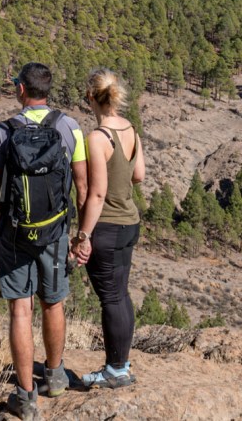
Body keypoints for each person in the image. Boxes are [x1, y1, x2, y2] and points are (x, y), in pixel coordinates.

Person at [0, 62, 88, 420]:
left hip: (14, 233)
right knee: (53, 302)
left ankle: (27, 400)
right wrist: (81, 235)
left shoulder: (5, 131)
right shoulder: (70, 127)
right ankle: (55, 377)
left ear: (22, 90)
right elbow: (83, 188)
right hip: (55, 232)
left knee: (20, 310)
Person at [69, 68, 144, 389]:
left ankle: (115, 370)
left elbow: (95, 194)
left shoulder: (97, 138)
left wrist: (83, 236)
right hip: (130, 221)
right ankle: (121, 364)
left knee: (110, 298)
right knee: (120, 294)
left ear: (90, 98)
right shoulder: (130, 130)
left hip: (107, 226)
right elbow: (138, 174)